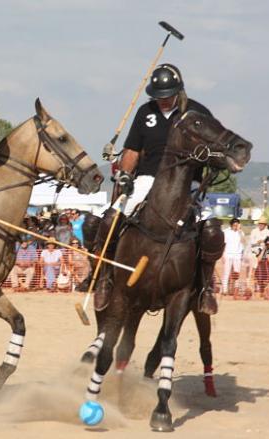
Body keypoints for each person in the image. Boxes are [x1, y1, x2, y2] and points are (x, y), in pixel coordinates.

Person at [99, 63, 221, 314]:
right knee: (111, 217)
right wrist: (124, 174)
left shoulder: (197, 113)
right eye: (158, 97)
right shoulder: (146, 112)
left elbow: (216, 146)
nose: (163, 101)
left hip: (188, 182)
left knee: (211, 229)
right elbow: (133, 149)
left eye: (167, 96)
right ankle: (104, 277)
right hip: (147, 179)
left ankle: (206, 288)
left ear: (179, 91)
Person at [222, 218, 245, 295]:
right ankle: (224, 290)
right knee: (226, 272)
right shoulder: (226, 232)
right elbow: (223, 244)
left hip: (237, 255)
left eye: (237, 225)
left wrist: (240, 231)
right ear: (231, 225)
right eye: (234, 225)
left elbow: (243, 241)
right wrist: (222, 255)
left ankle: (236, 290)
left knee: (236, 273)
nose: (236, 226)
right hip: (228, 254)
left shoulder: (240, 232)